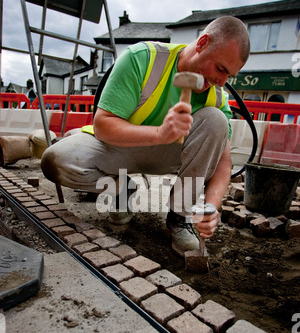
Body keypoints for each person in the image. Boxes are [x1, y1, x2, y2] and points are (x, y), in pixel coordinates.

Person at [41, 16, 250, 257]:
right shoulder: (143, 59)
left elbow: (224, 163)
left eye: (229, 76)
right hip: (119, 147)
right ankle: (120, 189)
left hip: (170, 156)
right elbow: (103, 125)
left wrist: (210, 207)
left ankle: (179, 218)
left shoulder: (217, 96)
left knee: (216, 120)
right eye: (220, 69)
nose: (221, 81)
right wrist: (160, 133)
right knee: (56, 160)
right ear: (202, 42)